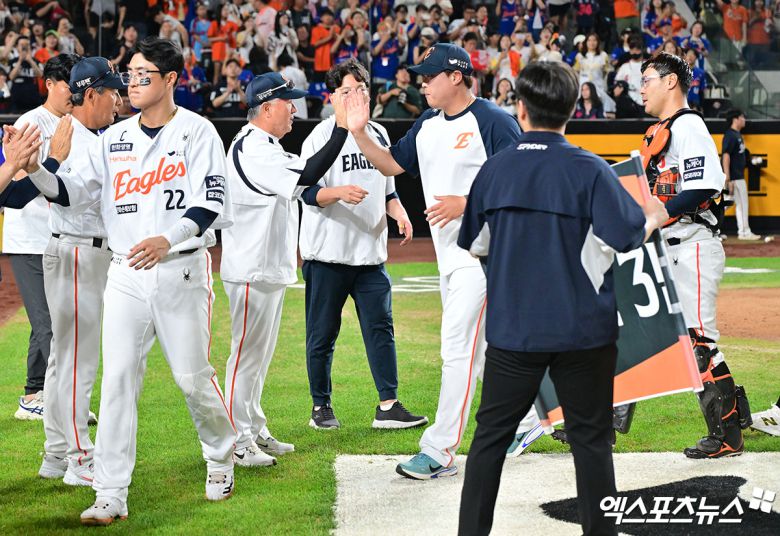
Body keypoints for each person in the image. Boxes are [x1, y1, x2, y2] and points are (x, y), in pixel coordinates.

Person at [23, 37, 237, 524]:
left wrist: (169, 237)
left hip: (180, 266)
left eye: (144, 74)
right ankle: (110, 490)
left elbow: (211, 201)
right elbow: (71, 193)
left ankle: (221, 455)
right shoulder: (113, 138)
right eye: (131, 74)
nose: (133, 83)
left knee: (192, 378)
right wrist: (35, 167)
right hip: (124, 272)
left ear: (171, 79)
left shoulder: (198, 131)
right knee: (117, 380)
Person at [457, 60, 669, 536]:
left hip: (514, 331)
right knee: (591, 443)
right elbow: (627, 236)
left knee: (489, 442)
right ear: (573, 109)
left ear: (520, 107)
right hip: (583, 332)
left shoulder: (495, 170)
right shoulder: (590, 169)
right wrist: (653, 216)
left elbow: (475, 245)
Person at [344, 43, 540, 479]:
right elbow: (391, 165)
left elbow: (524, 184)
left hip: (485, 254)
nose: (423, 83)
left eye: (430, 75)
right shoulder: (428, 123)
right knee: (483, 351)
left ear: (456, 77)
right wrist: (358, 132)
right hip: (450, 257)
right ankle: (529, 417)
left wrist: (467, 203)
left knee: (456, 350)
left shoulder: (493, 120)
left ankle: (439, 449)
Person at [221, 71, 361, 462]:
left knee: (258, 359)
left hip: (264, 266)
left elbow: (306, 186)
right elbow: (309, 174)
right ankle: (237, 440)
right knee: (245, 358)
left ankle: (253, 427)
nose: (295, 109)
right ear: (267, 108)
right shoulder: (252, 145)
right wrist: (340, 128)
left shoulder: (266, 146)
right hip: (250, 268)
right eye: (288, 102)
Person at [299, 59, 426, 431]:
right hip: (328, 255)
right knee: (322, 334)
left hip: (370, 255)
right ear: (332, 97)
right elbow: (304, 191)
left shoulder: (379, 134)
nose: (354, 96)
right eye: (346, 91)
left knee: (381, 329)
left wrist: (399, 212)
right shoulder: (320, 136)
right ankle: (320, 406)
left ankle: (388, 406)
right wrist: (337, 192)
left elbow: (388, 190)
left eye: (360, 89)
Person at [639, 52, 749, 459]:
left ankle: (728, 435)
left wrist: (658, 214)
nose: (642, 88)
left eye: (647, 79)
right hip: (670, 247)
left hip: (693, 245)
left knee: (698, 342)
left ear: (670, 81)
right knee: (653, 335)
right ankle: (609, 422)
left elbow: (704, 185)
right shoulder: (661, 130)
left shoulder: (688, 125)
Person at [36, 56, 123, 487]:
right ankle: (78, 457)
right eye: (113, 92)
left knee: (64, 359)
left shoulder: (91, 136)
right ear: (91, 94)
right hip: (76, 252)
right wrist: (38, 167)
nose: (119, 100)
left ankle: (56, 454)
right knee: (77, 362)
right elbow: (61, 193)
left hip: (84, 253)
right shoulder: (72, 135)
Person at [4, 54, 77, 420]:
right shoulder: (31, 122)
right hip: (30, 238)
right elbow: (16, 191)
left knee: (56, 321)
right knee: (47, 322)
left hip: (60, 235)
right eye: (68, 86)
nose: (74, 93)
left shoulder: (75, 122)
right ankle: (47, 398)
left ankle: (44, 395)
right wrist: (52, 164)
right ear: (49, 84)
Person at [722, 108, 760, 241]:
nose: (744, 120)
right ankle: (744, 232)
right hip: (735, 177)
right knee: (742, 204)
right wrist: (728, 177)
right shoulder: (730, 135)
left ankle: (710, 227)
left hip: (737, 176)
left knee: (725, 204)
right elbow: (726, 156)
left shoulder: (736, 135)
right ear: (735, 119)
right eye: (742, 117)